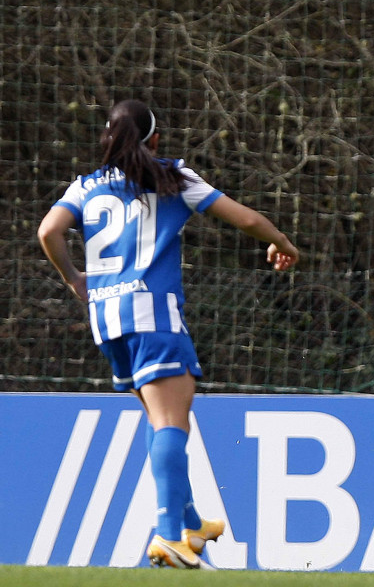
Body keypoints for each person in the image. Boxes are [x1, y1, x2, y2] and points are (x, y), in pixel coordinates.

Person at [37, 99, 300, 570]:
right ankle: (169, 535)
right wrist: (281, 243)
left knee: (162, 419)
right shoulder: (170, 177)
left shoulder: (85, 186)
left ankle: (191, 521)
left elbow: (48, 231)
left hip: (107, 319)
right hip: (153, 316)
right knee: (170, 424)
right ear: (155, 139)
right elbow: (246, 219)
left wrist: (75, 280)